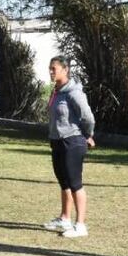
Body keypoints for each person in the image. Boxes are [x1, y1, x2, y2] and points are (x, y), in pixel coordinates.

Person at [41, 56, 96, 238]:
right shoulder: (56, 91)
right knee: (64, 182)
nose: (50, 72)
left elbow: (87, 117)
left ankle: (80, 225)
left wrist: (88, 134)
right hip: (57, 141)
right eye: (50, 68)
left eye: (54, 69)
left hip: (72, 142)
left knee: (75, 184)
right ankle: (65, 218)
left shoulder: (74, 92)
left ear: (65, 70)